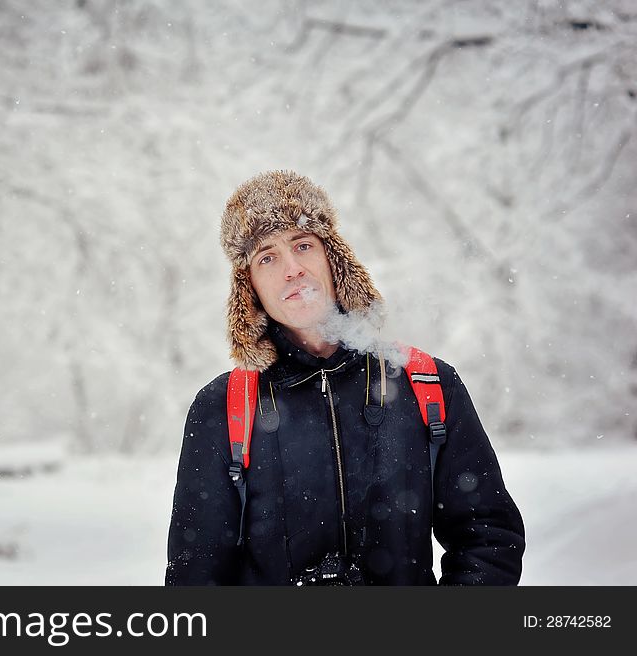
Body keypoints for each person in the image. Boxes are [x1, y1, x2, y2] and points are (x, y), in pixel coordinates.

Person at [165, 170, 525, 585]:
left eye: (303, 246)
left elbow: (488, 538)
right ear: (250, 288)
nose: (292, 269)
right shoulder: (224, 407)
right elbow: (195, 579)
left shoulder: (426, 385)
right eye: (267, 257)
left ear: (334, 260)